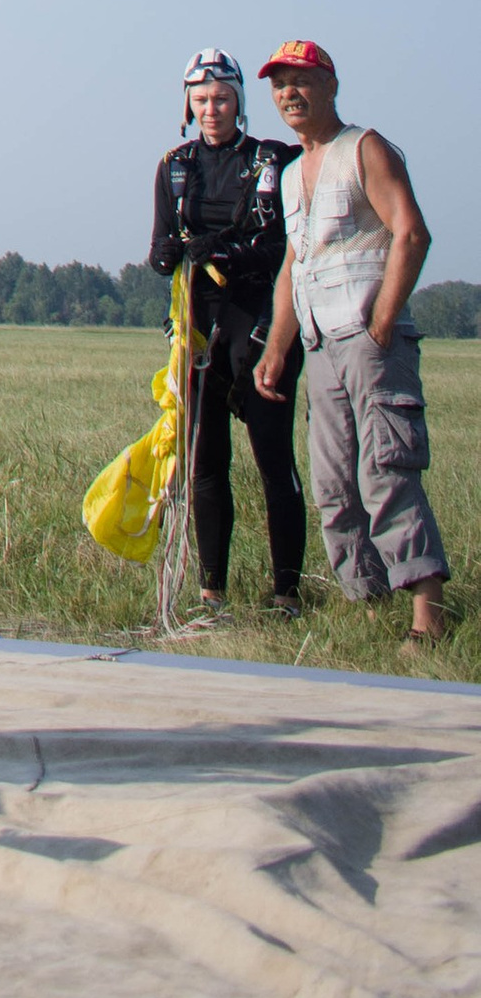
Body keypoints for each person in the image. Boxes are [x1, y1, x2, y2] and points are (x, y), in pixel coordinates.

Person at [253, 40, 447, 645]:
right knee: (334, 485)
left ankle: (427, 616)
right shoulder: (288, 176)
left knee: (386, 471)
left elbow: (411, 234)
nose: (290, 92)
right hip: (319, 348)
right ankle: (368, 605)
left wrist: (383, 321)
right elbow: (295, 265)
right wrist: (278, 348)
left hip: (369, 342)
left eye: (303, 79)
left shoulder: (365, 148)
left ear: (331, 85)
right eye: (280, 83)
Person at [147, 47, 305, 615]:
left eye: (221, 98)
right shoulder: (174, 166)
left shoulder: (272, 160)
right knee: (206, 463)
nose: (211, 108)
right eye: (201, 99)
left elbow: (281, 246)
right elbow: (161, 247)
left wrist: (225, 250)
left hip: (260, 323)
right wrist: (167, 256)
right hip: (196, 326)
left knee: (271, 457)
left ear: (239, 101)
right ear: (188, 104)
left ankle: (286, 590)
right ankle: (213, 589)